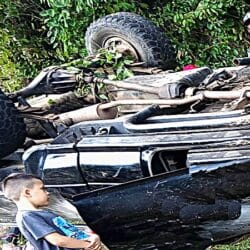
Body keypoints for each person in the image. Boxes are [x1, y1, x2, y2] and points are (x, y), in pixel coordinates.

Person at [1, 173, 103, 250]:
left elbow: (70, 232)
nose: (47, 192)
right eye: (43, 189)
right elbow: (58, 240)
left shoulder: (42, 213)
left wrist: (91, 237)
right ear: (27, 192)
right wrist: (87, 245)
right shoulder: (28, 216)